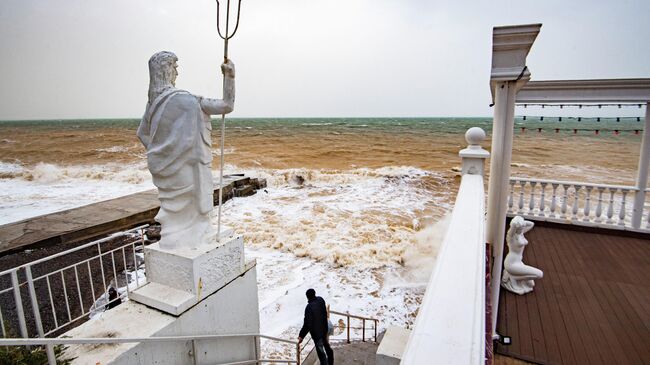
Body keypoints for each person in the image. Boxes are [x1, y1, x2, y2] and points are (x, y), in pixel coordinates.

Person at [137, 51, 235, 250]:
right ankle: (191, 239)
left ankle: (176, 240)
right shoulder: (186, 100)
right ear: (165, 70)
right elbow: (226, 105)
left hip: (162, 168)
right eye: (174, 67)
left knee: (175, 212)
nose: (176, 73)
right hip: (186, 167)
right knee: (193, 211)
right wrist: (230, 77)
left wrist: (160, 152)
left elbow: (142, 134)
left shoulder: (153, 104)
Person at [298, 289, 334, 365]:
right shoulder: (321, 300)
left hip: (317, 335)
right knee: (326, 346)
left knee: (321, 353)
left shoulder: (309, 307)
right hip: (324, 329)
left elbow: (307, 324)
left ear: (307, 297)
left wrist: (301, 336)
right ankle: (331, 361)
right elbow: (324, 313)